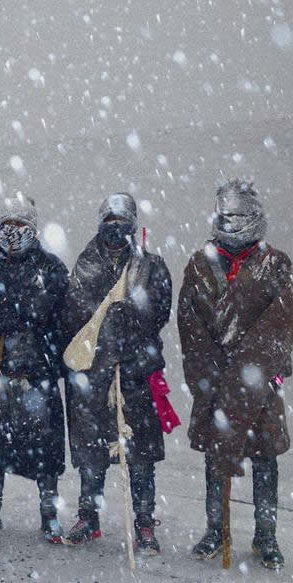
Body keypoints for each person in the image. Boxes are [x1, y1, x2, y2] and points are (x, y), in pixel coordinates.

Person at [178, 179, 293, 570]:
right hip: (215, 382)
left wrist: (248, 369)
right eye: (223, 213)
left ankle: (266, 535)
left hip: (259, 384)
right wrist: (211, 372)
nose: (229, 221)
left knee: (265, 459)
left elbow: (282, 322)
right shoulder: (200, 264)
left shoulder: (277, 264)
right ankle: (217, 529)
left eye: (237, 214)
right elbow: (190, 323)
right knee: (217, 457)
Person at [62, 193, 174, 554]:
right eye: (109, 221)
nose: (115, 228)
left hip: (135, 373)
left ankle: (144, 523)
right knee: (92, 455)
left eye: (121, 221)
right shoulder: (85, 264)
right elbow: (75, 309)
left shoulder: (150, 266)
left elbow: (159, 310)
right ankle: (88, 517)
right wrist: (108, 320)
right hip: (95, 374)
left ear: (132, 224)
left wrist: (133, 315)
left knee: (140, 456)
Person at [0, 192, 68, 544]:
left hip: (36, 374)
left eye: (20, 224)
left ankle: (49, 514)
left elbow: (53, 311)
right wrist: (4, 314)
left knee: (46, 450)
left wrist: (18, 311)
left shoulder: (51, 267)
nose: (13, 231)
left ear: (32, 228)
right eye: (7, 225)